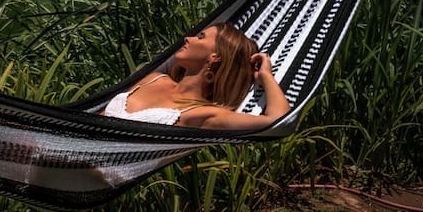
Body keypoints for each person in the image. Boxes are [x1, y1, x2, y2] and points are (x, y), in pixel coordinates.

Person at [101, 23, 289, 130]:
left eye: (200, 37)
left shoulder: (204, 115)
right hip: (75, 147)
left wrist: (266, 76)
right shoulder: (152, 79)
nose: (188, 38)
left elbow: (280, 123)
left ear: (215, 56)